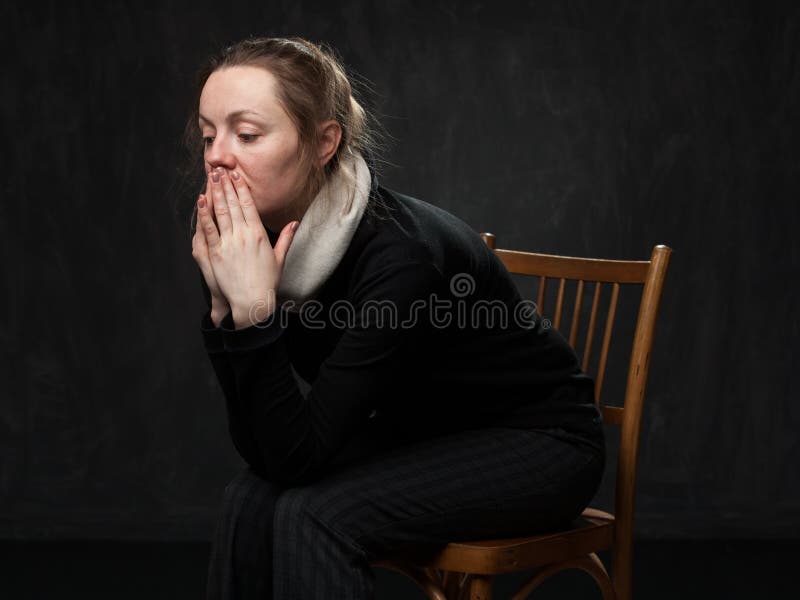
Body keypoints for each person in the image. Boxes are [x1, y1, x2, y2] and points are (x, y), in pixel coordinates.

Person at [187, 36, 605, 600]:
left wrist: (255, 316)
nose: (216, 155)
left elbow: (298, 457)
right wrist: (227, 312)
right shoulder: (263, 255)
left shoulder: (402, 255)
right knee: (249, 499)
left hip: (541, 445)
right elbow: (272, 453)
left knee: (316, 514)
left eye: (248, 134)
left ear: (323, 143)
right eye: (210, 135)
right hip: (428, 432)